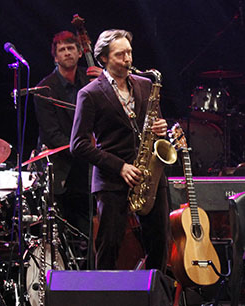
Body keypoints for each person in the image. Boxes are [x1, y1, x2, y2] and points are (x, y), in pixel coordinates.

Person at [70, 29, 170, 271]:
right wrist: (120, 166)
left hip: (149, 176)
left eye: (129, 53)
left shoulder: (146, 85)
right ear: (103, 58)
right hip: (113, 180)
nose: (128, 59)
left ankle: (154, 295)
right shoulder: (90, 94)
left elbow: (154, 125)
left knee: (160, 244)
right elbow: (78, 144)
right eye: (120, 55)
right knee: (109, 247)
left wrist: (161, 128)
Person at [33, 31, 103, 237]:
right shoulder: (44, 89)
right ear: (55, 57)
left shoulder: (91, 79)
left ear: (80, 52)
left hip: (89, 168)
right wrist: (86, 149)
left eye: (71, 48)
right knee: (64, 233)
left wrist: (107, 82)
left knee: (91, 229)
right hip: (63, 168)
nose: (67, 53)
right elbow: (51, 135)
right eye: (62, 50)